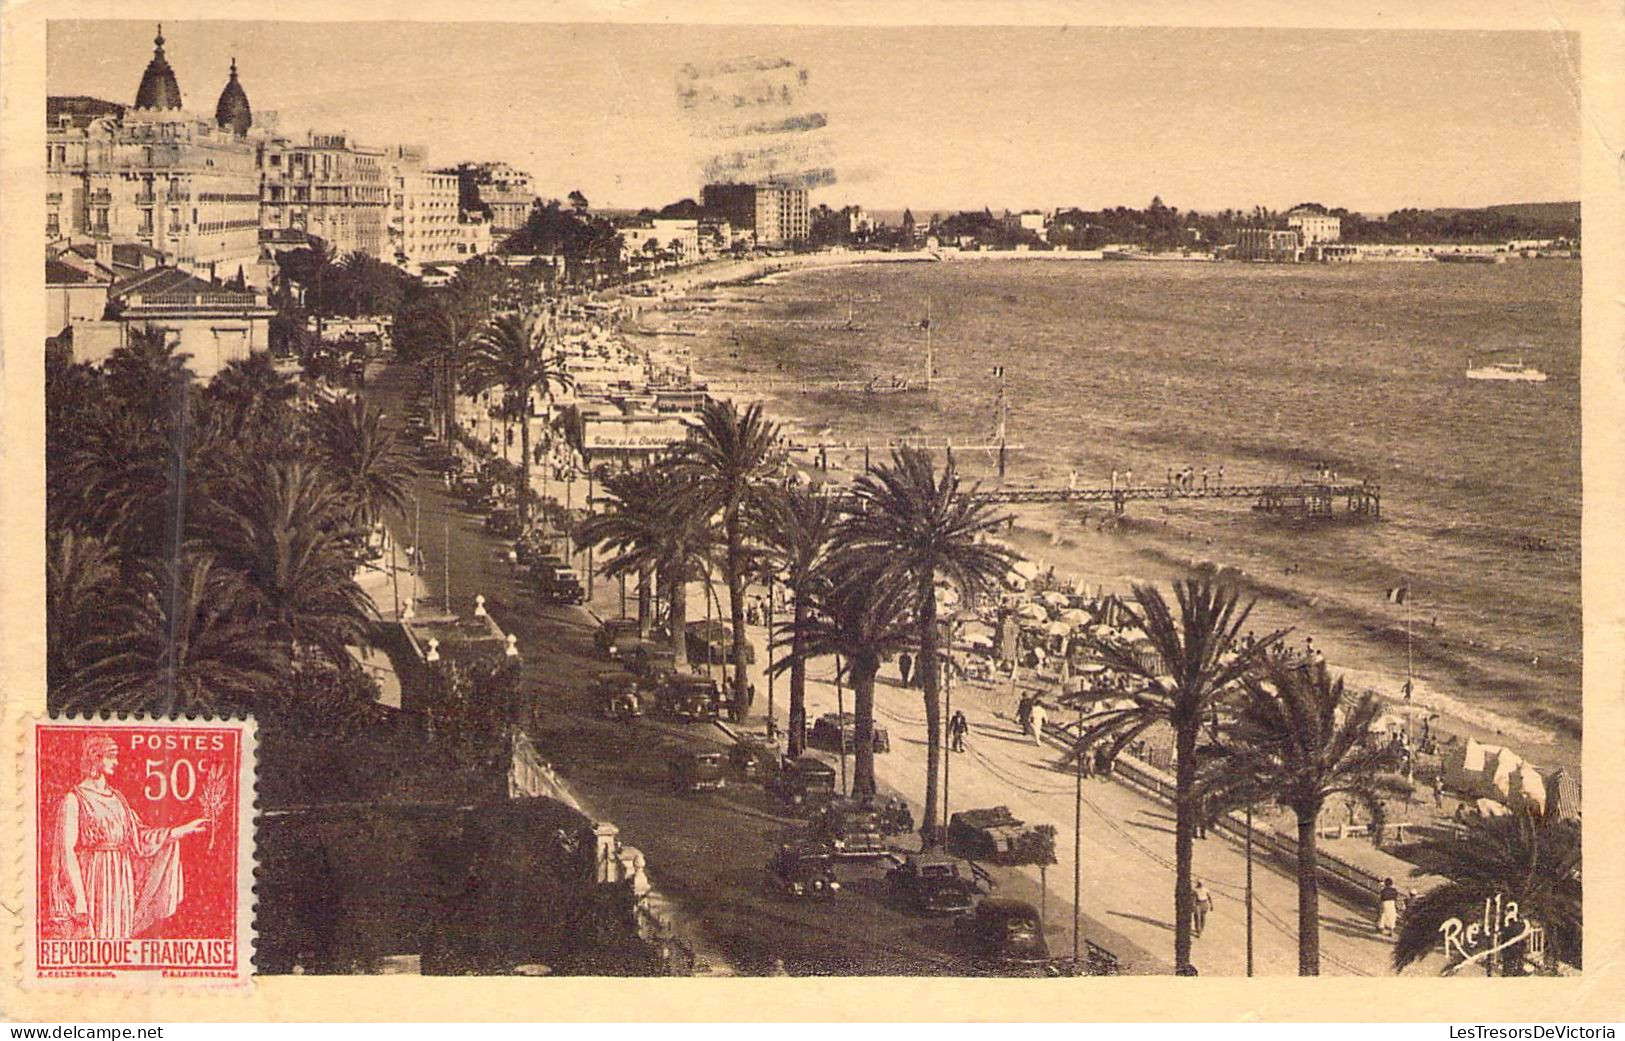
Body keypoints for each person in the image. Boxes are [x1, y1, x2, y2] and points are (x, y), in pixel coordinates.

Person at [46, 736, 208, 940]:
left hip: (121, 881)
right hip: (94, 880)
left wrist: (182, 830)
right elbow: (66, 852)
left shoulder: (118, 799)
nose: (116, 762)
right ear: (95, 758)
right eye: (111, 757)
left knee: (118, 940)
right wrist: (80, 899)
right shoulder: (74, 799)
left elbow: (139, 838)